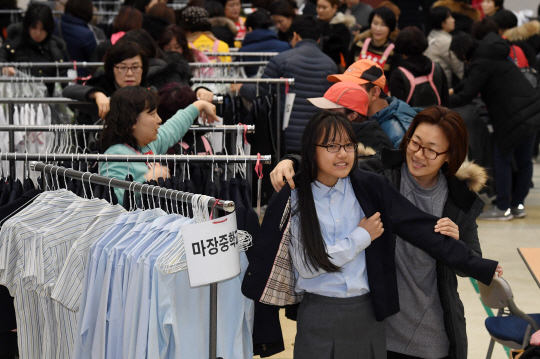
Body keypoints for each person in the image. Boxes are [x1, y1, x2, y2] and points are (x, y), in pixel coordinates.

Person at [243, 110, 502, 359]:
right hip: (322, 312)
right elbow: (309, 265)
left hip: (375, 314)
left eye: (348, 146)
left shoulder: (372, 186)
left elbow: (420, 227)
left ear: (449, 155)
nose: (342, 153)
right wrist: (361, 237)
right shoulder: (302, 196)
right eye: (415, 143)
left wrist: (480, 266)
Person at [450, 31, 540, 220]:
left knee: (502, 159)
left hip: (512, 118)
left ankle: (502, 208)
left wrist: (443, 99)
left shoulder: (481, 63)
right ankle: (517, 205)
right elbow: (470, 82)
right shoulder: (489, 54)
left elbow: (468, 93)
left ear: (462, 53)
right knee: (524, 162)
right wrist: (454, 90)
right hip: (532, 111)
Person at [100, 86, 219, 203]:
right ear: (131, 120)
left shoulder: (149, 144)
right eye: (152, 114)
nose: (159, 120)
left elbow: (173, 127)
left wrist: (200, 105)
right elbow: (114, 202)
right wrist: (147, 181)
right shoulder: (115, 155)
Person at [238, 15, 337, 153]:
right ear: (318, 39)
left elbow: (260, 94)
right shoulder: (330, 65)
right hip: (318, 138)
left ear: (295, 35)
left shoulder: (281, 60)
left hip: (285, 138)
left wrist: (241, 87)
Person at [328, 59, 416, 148]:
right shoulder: (360, 118)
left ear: (375, 93)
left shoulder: (397, 132)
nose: (345, 93)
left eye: (354, 88)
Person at [0, 3, 68, 95]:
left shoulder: (55, 48)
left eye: (43, 29)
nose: (38, 33)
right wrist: (4, 67)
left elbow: (63, 80)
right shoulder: (15, 43)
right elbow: (2, 55)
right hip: (17, 98)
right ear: (27, 26)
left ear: (49, 28)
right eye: (34, 28)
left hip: (47, 102)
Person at [307, 81, 393, 152]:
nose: (324, 115)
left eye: (330, 110)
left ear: (352, 116)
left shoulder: (377, 144)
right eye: (324, 109)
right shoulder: (331, 132)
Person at [389, 26, 449, 107]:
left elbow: (397, 109)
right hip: (437, 118)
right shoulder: (437, 68)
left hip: (411, 119)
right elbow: (446, 102)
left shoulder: (398, 75)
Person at [349, 7, 398, 88]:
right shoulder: (358, 44)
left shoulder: (394, 52)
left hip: (380, 97)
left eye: (383, 25)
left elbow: (393, 83)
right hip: (354, 91)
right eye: (375, 23)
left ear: (391, 28)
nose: (378, 29)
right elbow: (348, 71)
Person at [237, 10, 291, 77]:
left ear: (250, 29)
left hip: (251, 86)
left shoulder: (243, 52)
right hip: (281, 86)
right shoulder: (286, 47)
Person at [54, 0, 99, 77]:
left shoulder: (54, 25)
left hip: (56, 74)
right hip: (79, 76)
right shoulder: (86, 34)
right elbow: (94, 59)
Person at [424, 6, 464, 87]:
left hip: (431, 84)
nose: (453, 20)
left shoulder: (432, 34)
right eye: (449, 17)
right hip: (444, 88)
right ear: (442, 23)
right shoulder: (446, 42)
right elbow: (460, 70)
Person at [317, 0, 355, 71]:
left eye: (324, 7)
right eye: (318, 7)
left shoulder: (342, 29)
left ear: (334, 7)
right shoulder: (313, 24)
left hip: (332, 69)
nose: (320, 10)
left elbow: (344, 56)